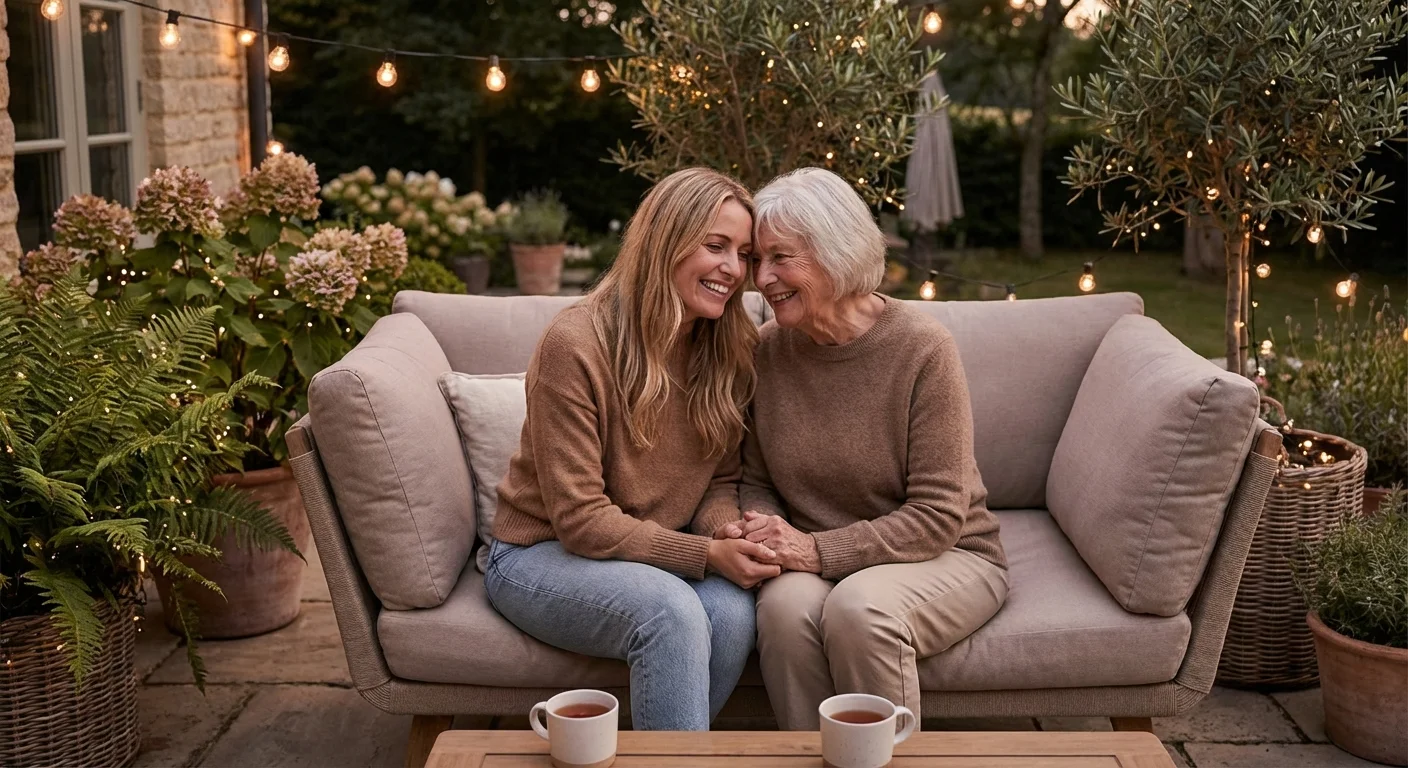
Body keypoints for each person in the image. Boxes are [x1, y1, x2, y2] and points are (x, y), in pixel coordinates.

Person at [484, 168, 779, 731]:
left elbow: (718, 482)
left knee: (733, 614)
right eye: (715, 246)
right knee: (670, 614)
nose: (734, 269)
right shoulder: (576, 343)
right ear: (666, 241)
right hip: (540, 553)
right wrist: (705, 555)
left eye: (743, 254)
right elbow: (580, 519)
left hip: (650, 552)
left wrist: (726, 531)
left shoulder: (726, 348)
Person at [721, 167, 1009, 730]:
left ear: (836, 252)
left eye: (781, 258)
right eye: (758, 260)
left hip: (944, 553)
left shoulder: (922, 348)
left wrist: (815, 551)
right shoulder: (766, 351)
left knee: (859, 610)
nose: (762, 278)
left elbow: (937, 516)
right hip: (814, 552)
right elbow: (756, 480)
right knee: (782, 610)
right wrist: (765, 533)